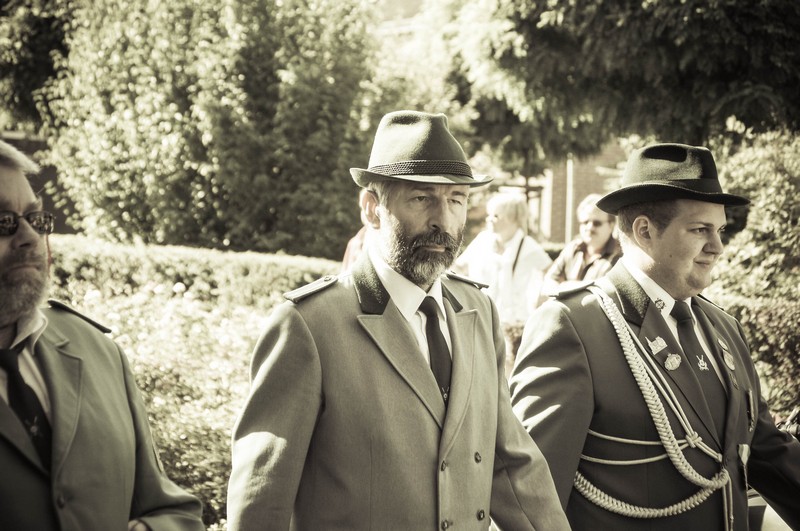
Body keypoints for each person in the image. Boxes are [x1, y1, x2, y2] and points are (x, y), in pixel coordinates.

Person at [227, 110, 569, 531]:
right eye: (422, 198)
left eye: (457, 199)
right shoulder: (310, 326)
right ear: (372, 209)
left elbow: (509, 461)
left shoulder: (478, 311)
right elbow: (262, 501)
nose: (443, 221)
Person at [509, 143, 800, 530]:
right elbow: (530, 497)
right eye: (700, 230)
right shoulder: (574, 326)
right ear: (645, 231)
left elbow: (765, 451)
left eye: (720, 231)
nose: (717, 247)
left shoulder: (724, 327)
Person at [0, 140, 204, 531]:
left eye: (35, 219)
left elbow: (171, 510)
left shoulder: (97, 350)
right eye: (3, 222)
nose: (28, 236)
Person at [455, 192, 553, 326]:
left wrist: (541, 299)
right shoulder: (482, 241)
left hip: (515, 323)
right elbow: (459, 268)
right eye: (489, 214)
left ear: (513, 219)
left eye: (496, 216)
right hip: (481, 318)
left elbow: (552, 275)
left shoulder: (529, 247)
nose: (489, 219)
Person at [540, 193, 621, 298]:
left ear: (611, 225)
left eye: (597, 223)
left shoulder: (620, 257)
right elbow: (549, 282)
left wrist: (565, 286)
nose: (590, 227)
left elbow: (603, 295)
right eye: (585, 222)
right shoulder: (572, 249)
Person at [340, 188, 371, 273]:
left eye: (369, 206)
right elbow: (344, 272)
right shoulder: (354, 242)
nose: (366, 212)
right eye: (362, 208)